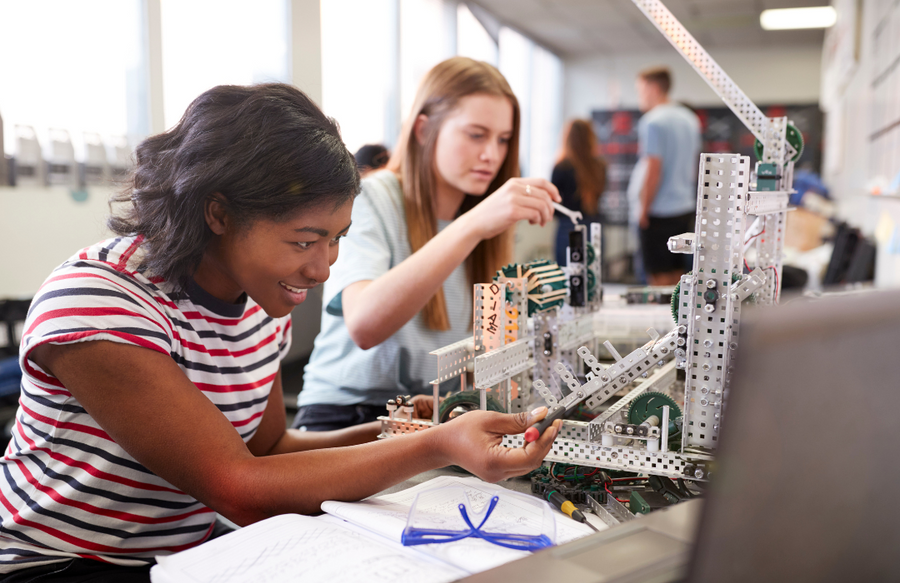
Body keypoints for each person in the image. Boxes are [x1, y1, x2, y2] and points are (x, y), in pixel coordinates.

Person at [0, 83, 561, 581]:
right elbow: (239, 487)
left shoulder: (258, 302)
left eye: (337, 238)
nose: (322, 269)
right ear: (218, 214)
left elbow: (271, 449)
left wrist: (401, 432)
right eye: (303, 241)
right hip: (61, 562)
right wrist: (434, 446)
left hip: (187, 557)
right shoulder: (102, 302)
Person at [293, 57, 561, 431]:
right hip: (346, 417)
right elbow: (365, 325)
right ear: (423, 129)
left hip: (433, 415)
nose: (492, 155)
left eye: (502, 140)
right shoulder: (371, 197)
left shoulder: (483, 224)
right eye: (476, 134)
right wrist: (473, 225)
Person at [628, 66, 701, 286]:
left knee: (658, 280)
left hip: (658, 212)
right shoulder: (690, 119)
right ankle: (678, 320)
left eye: (640, 90)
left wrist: (644, 208)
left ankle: (663, 320)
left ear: (653, 88)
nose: (639, 96)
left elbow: (654, 169)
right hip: (684, 208)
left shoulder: (653, 121)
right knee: (678, 277)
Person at [551, 119, 607, 267]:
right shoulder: (600, 166)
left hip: (567, 229)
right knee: (592, 278)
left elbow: (554, 204)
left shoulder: (561, 167)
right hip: (594, 227)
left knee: (568, 278)